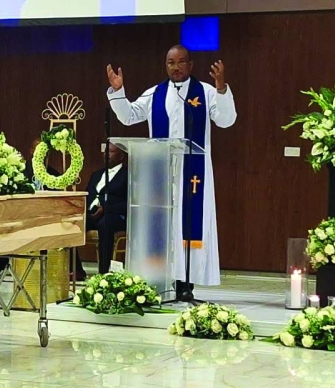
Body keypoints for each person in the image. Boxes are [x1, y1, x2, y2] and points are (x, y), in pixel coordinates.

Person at [105, 45, 237, 291]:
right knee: (164, 225)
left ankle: (186, 283)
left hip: (193, 171)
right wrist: (118, 92)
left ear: (190, 64)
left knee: (188, 222)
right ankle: (160, 279)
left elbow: (226, 120)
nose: (176, 67)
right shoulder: (155, 94)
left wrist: (221, 89)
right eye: (171, 63)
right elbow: (129, 116)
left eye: (181, 62)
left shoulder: (206, 92)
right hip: (161, 172)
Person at [0, 137, 60, 276]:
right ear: (31, 151)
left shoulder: (55, 175)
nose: (41, 152)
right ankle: (1, 264)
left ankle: (67, 268)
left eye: (44, 150)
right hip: (21, 212)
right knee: (4, 223)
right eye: (38, 149)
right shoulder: (19, 171)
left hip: (45, 215)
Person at [72, 142, 128, 279]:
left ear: (121, 156)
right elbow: (88, 194)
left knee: (105, 224)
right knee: (73, 224)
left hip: (115, 216)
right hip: (93, 214)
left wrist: (106, 209)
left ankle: (103, 273)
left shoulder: (127, 175)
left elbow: (129, 203)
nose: (106, 155)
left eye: (111, 152)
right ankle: (77, 270)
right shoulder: (96, 174)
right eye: (105, 151)